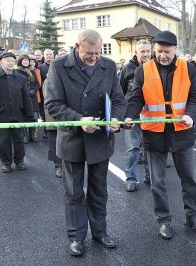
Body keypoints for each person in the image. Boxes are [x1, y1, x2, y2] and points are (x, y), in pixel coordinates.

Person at [45, 29, 126, 256]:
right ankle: (76, 237)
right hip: (73, 138)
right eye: (89, 53)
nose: (94, 57)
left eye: (98, 53)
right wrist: (78, 120)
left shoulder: (109, 66)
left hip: (101, 139)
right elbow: (53, 104)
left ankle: (100, 232)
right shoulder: (59, 66)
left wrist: (116, 119)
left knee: (99, 190)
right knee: (73, 192)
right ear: (77, 46)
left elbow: (118, 99)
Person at [124, 30, 196, 240]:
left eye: (166, 52)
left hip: (181, 132)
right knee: (157, 182)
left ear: (175, 50)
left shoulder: (188, 68)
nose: (162, 56)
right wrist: (129, 116)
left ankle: (193, 216)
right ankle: (164, 220)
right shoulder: (143, 70)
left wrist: (190, 114)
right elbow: (135, 98)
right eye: (159, 51)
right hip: (154, 134)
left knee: (189, 178)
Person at [0, 52, 34, 173]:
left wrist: (29, 114)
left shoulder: (21, 78)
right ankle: (6, 163)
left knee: (19, 139)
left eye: (12, 61)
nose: (11, 63)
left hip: (18, 113)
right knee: (4, 140)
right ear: (2, 62)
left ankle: (19, 161)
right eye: (8, 60)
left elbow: (26, 97)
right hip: (2, 114)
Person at [120, 39, 151, 192]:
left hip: (151, 113)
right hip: (132, 114)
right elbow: (120, 92)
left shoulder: (155, 67)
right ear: (136, 53)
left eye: (148, 51)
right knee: (132, 148)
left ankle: (149, 175)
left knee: (149, 146)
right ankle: (130, 178)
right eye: (142, 51)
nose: (145, 54)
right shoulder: (127, 69)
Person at [16, 54, 40, 143]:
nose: (26, 62)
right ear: (20, 61)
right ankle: (25, 134)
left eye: (27, 60)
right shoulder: (17, 71)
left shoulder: (32, 71)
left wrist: (33, 91)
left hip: (32, 97)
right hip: (22, 97)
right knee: (24, 115)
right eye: (24, 60)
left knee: (34, 116)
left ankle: (33, 133)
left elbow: (37, 84)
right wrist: (25, 92)